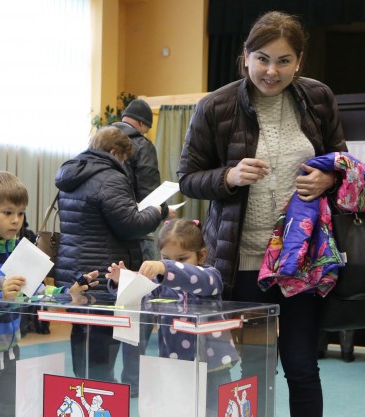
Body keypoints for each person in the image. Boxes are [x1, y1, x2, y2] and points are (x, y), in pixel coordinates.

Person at [177, 11, 348, 417]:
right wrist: (229, 176)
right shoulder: (215, 106)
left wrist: (329, 178)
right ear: (246, 56)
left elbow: (342, 163)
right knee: (254, 368)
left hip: (301, 261)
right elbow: (187, 178)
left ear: (299, 61)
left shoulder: (318, 98)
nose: (272, 71)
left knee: (302, 367)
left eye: (284, 61)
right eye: (263, 59)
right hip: (245, 265)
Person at [0, 171, 92, 417]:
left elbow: (37, 290)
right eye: (7, 213)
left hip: (9, 350)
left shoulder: (17, 251)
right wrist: (0, 298)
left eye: (20, 213)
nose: (16, 220)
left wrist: (67, 292)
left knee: (10, 411)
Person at [54, 126, 162, 384]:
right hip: (103, 273)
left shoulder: (71, 174)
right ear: (114, 152)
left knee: (82, 334)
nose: (123, 164)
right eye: (123, 159)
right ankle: (101, 394)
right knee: (102, 342)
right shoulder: (110, 178)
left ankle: (83, 389)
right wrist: (156, 212)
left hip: (74, 270)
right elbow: (130, 225)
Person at [106, 218, 239, 417]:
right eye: (166, 258)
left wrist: (165, 267)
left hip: (213, 366)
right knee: (179, 410)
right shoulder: (160, 285)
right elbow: (141, 300)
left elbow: (195, 278)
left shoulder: (211, 277)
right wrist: (123, 281)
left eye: (182, 259)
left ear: (201, 255)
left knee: (214, 411)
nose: (172, 265)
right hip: (175, 364)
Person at [111, 99, 175, 394]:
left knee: (114, 306)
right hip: (138, 237)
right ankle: (134, 380)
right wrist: (164, 211)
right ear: (142, 124)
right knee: (141, 306)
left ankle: (101, 379)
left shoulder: (99, 139)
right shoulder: (141, 144)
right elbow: (150, 197)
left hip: (107, 238)